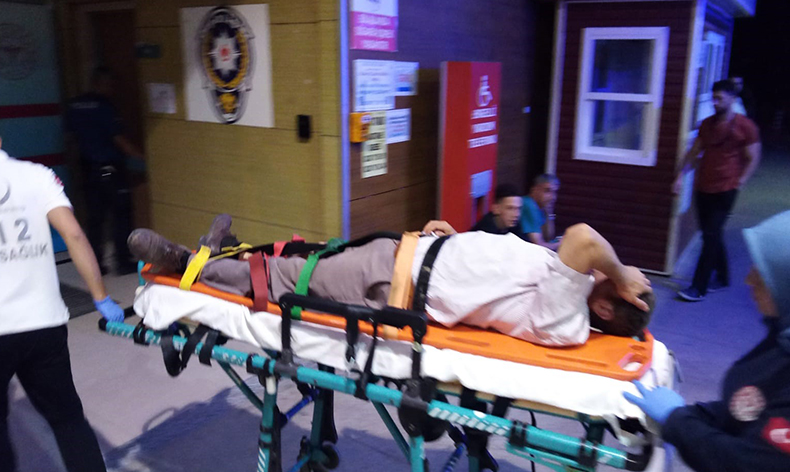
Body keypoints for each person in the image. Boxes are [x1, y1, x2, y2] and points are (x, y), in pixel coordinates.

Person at [128, 214, 655, 347]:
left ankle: (183, 262)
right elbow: (504, 274)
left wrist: (622, 272)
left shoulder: (567, 319)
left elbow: (584, 239)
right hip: (413, 254)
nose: (606, 274)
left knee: (290, 277)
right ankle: (228, 251)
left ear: (605, 308)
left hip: (392, 282)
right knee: (308, 254)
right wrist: (456, 239)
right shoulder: (572, 294)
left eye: (615, 286)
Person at [624, 211, 790, 472]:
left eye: (763, 274)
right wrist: (693, 415)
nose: (748, 280)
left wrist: (676, 420)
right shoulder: (781, 338)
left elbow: (745, 464)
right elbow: (749, 407)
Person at [0, 139, 124, 472]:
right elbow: (74, 235)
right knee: (68, 420)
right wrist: (100, 296)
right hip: (44, 323)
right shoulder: (36, 175)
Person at [673, 80, 761, 302]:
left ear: (732, 99)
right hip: (703, 186)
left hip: (726, 188)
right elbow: (694, 152)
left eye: (719, 98)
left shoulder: (745, 126)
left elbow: (753, 156)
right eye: (713, 97)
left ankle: (698, 287)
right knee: (711, 233)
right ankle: (723, 277)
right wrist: (681, 176)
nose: (714, 102)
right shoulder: (706, 125)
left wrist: (741, 181)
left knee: (711, 236)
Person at [65, 67, 144, 275]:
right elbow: (119, 139)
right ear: (101, 83)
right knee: (121, 215)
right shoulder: (105, 106)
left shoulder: (74, 105)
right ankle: (123, 261)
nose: (113, 89)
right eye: (110, 84)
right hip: (110, 169)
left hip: (87, 169)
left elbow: (71, 139)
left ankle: (95, 263)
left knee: (95, 219)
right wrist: (144, 158)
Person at [520, 174, 561, 250]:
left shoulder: (540, 207)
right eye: (547, 191)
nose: (553, 197)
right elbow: (538, 246)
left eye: (554, 192)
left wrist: (549, 213)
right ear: (534, 189)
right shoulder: (529, 205)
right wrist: (561, 244)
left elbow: (548, 237)